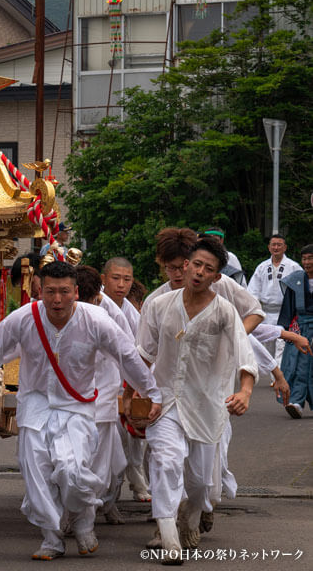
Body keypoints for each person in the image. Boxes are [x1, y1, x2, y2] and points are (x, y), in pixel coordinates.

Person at [0, 261, 161, 561]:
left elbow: (127, 355)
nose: (57, 300)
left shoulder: (96, 319)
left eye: (64, 292)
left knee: (72, 470)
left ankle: (84, 520)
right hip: (35, 405)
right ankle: (51, 538)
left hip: (77, 408)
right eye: (50, 292)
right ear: (40, 291)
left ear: (76, 292)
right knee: (37, 473)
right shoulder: (24, 318)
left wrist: (151, 391)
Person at [134, 236, 257, 563]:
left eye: (209, 269)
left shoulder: (225, 312)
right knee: (166, 462)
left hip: (207, 405)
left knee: (203, 484)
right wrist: (135, 391)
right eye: (196, 264)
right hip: (165, 404)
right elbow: (143, 355)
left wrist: (244, 390)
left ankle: (190, 519)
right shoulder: (157, 305)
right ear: (185, 265)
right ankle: (169, 539)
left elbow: (246, 353)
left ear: (218, 277)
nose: (199, 272)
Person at [75, 265, 132, 526]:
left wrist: (132, 391)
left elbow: (129, 352)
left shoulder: (109, 313)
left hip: (107, 393)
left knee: (111, 460)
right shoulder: (58, 310)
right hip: (71, 398)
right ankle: (75, 512)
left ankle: (107, 504)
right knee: (72, 460)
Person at [100, 256, 149, 502]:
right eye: (116, 278)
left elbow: (140, 347)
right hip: (99, 383)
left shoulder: (130, 311)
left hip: (126, 380)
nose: (121, 284)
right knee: (110, 445)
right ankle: (107, 498)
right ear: (103, 279)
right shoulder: (96, 306)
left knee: (133, 441)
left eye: (127, 279)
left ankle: (122, 493)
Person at [248, 234, 302, 358]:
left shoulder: (293, 267)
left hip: (285, 313)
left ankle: (278, 377)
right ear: (269, 247)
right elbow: (253, 291)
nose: (276, 247)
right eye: (273, 245)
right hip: (265, 313)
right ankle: (268, 376)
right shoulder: (262, 267)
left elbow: (299, 291)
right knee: (265, 347)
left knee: (281, 346)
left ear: (285, 247)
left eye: (279, 245)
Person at [277, 244, 313, 419]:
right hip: (300, 328)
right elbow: (288, 307)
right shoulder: (296, 280)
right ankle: (296, 402)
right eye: (304, 258)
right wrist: (284, 330)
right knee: (297, 366)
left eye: (310, 258)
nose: (307, 262)